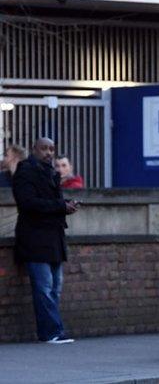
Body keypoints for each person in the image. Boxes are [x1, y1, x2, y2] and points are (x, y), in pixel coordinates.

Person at [13, 137, 79, 344]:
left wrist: (65, 205)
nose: (49, 153)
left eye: (51, 149)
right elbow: (28, 203)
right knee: (44, 288)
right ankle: (52, 332)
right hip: (35, 238)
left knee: (54, 287)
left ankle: (51, 330)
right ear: (34, 150)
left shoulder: (51, 173)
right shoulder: (26, 171)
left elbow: (50, 203)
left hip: (53, 239)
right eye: (44, 149)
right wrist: (61, 207)